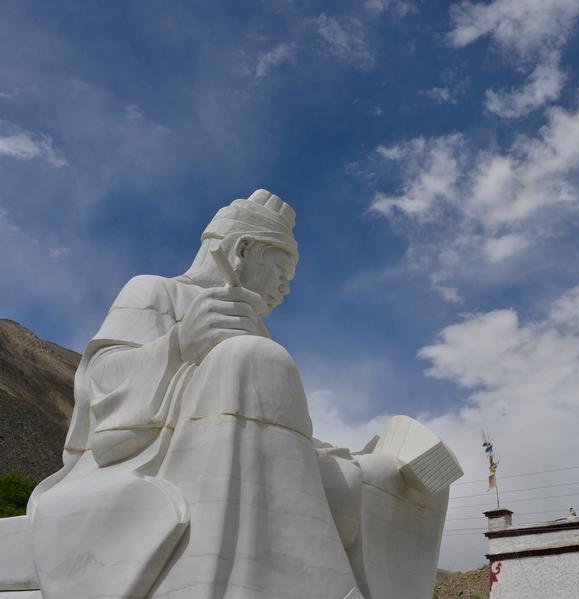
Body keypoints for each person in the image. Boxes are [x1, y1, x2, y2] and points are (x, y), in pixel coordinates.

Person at [28, 190, 364, 599]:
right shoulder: (155, 291)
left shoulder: (255, 329)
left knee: (368, 477)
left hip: (228, 446)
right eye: (280, 271)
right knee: (254, 358)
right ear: (242, 250)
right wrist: (178, 345)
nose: (285, 288)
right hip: (153, 450)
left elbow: (272, 429)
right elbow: (102, 382)